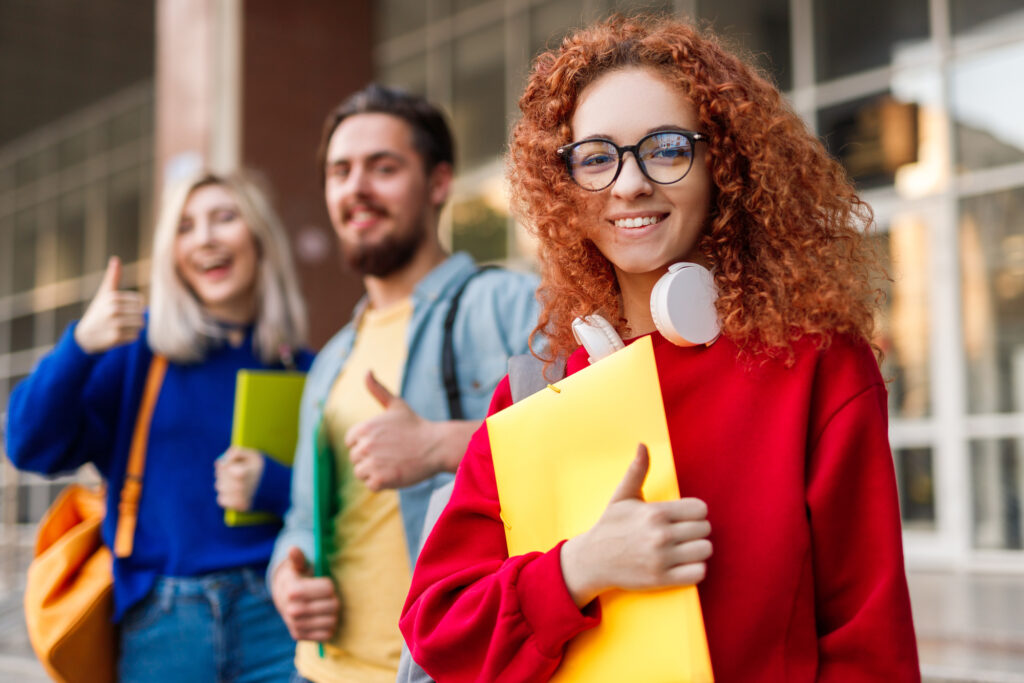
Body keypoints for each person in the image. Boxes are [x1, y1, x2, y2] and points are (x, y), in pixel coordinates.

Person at [399, 15, 921, 682]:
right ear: (565, 185)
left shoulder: (816, 363)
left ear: (724, 164)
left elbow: (868, 645)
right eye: (595, 158)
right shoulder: (540, 383)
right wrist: (577, 568)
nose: (629, 184)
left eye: (667, 148)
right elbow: (437, 624)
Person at [267, 84, 540, 683]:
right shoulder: (330, 360)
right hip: (318, 671)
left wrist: (440, 447)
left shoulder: (513, 305)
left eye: (382, 168)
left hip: (445, 668)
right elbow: (300, 523)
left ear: (439, 183)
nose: (356, 187)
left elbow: (588, 446)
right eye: (340, 171)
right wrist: (287, 578)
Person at [6, 169, 313, 682]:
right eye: (186, 226)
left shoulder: (300, 366)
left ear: (260, 239)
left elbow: (332, 503)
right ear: (172, 254)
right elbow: (28, 444)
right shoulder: (138, 354)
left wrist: (273, 486)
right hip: (164, 625)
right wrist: (79, 344)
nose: (206, 237)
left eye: (225, 218)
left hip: (275, 620)